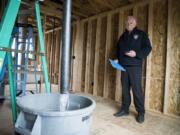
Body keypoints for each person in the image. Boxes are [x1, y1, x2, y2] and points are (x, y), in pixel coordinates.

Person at [114, 16, 152, 123]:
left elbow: (148, 48)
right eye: (127, 22)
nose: (129, 23)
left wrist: (136, 54)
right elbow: (118, 49)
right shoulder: (122, 36)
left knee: (137, 90)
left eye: (131, 22)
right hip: (123, 66)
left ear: (135, 23)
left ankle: (141, 112)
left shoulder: (141, 34)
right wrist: (117, 59)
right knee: (125, 90)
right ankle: (125, 109)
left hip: (135, 66)